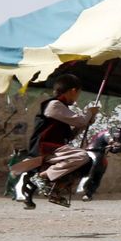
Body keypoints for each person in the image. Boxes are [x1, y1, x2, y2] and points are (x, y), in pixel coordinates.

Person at [26, 74, 98, 207]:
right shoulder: (54, 105)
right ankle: (42, 177)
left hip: (55, 147)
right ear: (73, 91)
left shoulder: (62, 108)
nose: (76, 99)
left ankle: (56, 191)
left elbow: (70, 135)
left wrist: (85, 124)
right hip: (45, 147)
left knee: (86, 163)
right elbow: (80, 120)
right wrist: (89, 113)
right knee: (82, 156)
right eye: (78, 94)